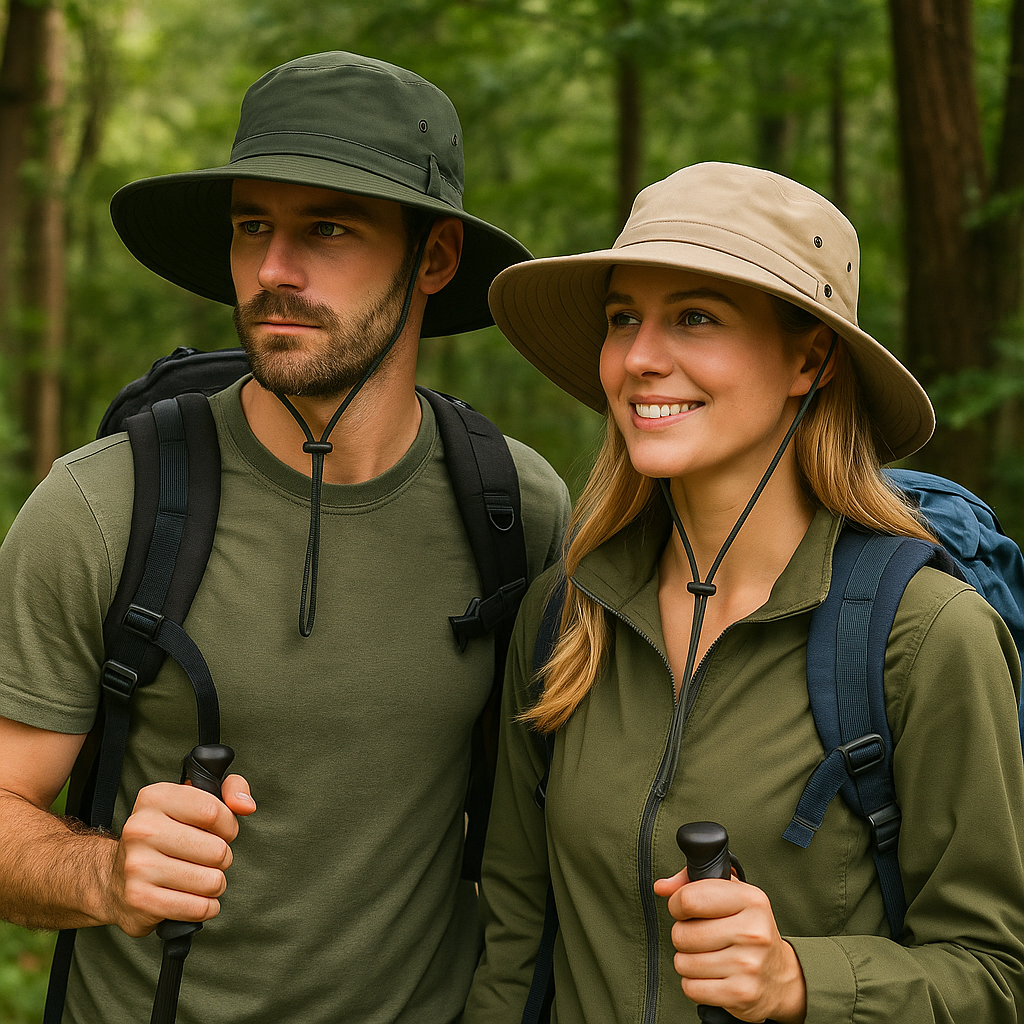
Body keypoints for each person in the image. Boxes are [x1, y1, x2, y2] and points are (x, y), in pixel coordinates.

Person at [0, 52, 569, 1024]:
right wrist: (105, 872)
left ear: (433, 259)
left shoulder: (515, 508)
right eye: (252, 226)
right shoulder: (102, 507)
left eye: (328, 229)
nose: (272, 269)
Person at [462, 162, 1024, 1023]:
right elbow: (514, 933)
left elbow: (994, 974)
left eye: (695, 316)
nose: (641, 358)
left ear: (812, 356)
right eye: (623, 319)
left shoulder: (927, 637)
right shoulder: (564, 617)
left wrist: (802, 981)